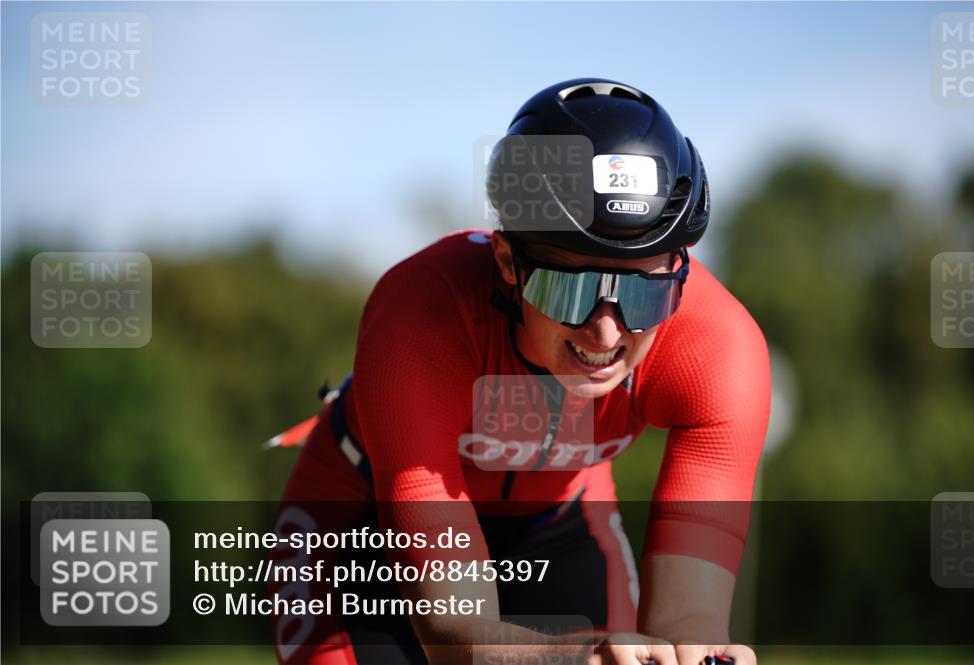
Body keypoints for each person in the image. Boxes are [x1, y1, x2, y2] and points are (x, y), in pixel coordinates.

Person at [269, 78, 770, 665]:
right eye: (570, 288)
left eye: (643, 295)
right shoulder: (422, 316)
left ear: (679, 272)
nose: (605, 333)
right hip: (365, 525)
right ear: (509, 261)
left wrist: (697, 656)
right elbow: (454, 633)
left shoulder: (718, 348)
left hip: (559, 517)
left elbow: (687, 626)